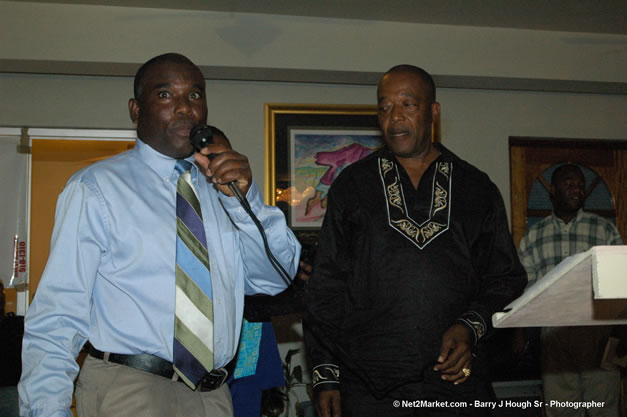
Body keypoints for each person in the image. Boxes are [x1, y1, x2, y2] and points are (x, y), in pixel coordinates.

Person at [18, 53, 301, 417]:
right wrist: (45, 410)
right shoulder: (97, 188)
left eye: (195, 96)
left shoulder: (224, 191)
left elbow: (276, 277)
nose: (185, 109)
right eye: (166, 95)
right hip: (131, 388)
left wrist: (247, 201)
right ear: (136, 110)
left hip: (214, 394)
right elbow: (58, 314)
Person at [303, 64, 527, 417]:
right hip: (369, 385)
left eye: (408, 105)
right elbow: (327, 285)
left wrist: (470, 326)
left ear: (433, 112)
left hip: (457, 383)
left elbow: (505, 278)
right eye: (384, 106)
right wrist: (326, 375)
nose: (394, 118)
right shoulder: (353, 185)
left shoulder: (477, 188)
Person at [517, 163, 623, 417]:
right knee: (561, 409)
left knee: (604, 409)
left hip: (598, 331)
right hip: (554, 336)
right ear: (552, 190)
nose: (577, 189)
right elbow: (526, 288)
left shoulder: (604, 229)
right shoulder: (535, 236)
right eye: (569, 183)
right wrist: (522, 334)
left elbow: (620, 283)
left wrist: (620, 330)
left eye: (580, 185)